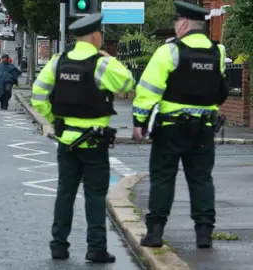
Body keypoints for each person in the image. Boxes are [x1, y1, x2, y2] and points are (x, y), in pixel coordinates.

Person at [31, 13, 135, 262]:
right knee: (95, 195)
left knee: (64, 193)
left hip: (66, 140)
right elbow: (128, 83)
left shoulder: (58, 62)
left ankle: (58, 245)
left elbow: (38, 94)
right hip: (94, 143)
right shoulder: (101, 64)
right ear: (96, 36)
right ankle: (96, 248)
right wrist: (110, 58)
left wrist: (56, 120)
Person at [132, 1, 229, 249]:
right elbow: (220, 91)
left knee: (163, 178)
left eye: (176, 22)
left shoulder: (170, 52)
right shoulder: (217, 52)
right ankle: (204, 234)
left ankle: (155, 233)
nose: (175, 27)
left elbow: (147, 91)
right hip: (204, 128)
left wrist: (139, 123)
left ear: (184, 23)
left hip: (171, 128)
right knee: (201, 179)